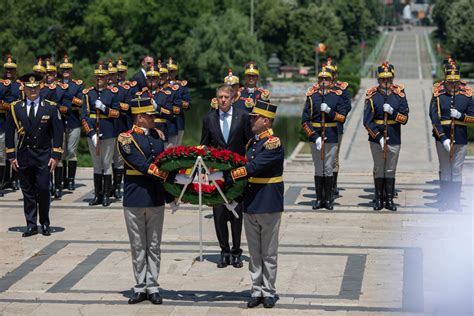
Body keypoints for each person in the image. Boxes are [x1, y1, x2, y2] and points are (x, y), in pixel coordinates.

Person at [117, 96, 178, 305]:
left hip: (155, 197)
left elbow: (165, 163)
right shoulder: (125, 139)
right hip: (135, 196)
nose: (154, 119)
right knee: (138, 245)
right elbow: (141, 164)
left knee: (154, 244)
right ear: (139, 117)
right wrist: (169, 180)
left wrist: (174, 191)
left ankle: (152, 285)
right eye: (150, 116)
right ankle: (140, 285)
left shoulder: (158, 136)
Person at [224, 100, 284, 308]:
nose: (251, 120)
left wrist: (229, 175)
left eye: (255, 118)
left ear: (266, 121)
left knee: (268, 252)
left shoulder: (272, 143)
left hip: (268, 202)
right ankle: (256, 289)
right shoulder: (253, 143)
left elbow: (255, 167)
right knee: (255, 252)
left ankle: (268, 290)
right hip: (251, 202)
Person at [5, 73, 63, 237]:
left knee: (44, 189)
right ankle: (31, 224)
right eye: (29, 88)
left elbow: (58, 132)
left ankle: (44, 222)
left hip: (44, 155)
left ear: (40, 87)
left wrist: (56, 155)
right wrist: (11, 155)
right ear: (24, 88)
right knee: (28, 191)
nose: (33, 91)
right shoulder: (16, 107)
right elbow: (10, 134)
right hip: (24, 155)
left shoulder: (50, 107)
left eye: (36, 87)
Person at [201, 85, 252, 268]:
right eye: (220, 97)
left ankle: (236, 251)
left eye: (226, 97)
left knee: (236, 213)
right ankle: (224, 250)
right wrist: (203, 168)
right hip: (216, 173)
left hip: (237, 173)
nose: (223, 100)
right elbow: (204, 145)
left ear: (232, 98)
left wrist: (249, 167)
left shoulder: (243, 117)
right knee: (219, 213)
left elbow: (249, 143)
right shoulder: (209, 118)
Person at [363, 62, 409, 211]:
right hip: (376, 140)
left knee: (390, 169)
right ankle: (378, 199)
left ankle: (389, 200)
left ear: (393, 78)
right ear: (378, 80)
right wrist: (378, 137)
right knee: (379, 168)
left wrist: (392, 113)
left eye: (389, 79)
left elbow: (405, 119)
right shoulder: (372, 96)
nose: (386, 82)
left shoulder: (399, 96)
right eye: (383, 79)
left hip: (394, 138)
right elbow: (367, 122)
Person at [302, 65, 349, 210]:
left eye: (326, 79)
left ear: (331, 80)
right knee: (318, 168)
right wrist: (314, 136)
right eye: (321, 79)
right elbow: (305, 120)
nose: (323, 81)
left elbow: (342, 117)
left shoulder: (337, 96)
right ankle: (318, 199)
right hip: (316, 136)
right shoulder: (312, 97)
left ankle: (328, 200)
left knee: (328, 167)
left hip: (331, 135)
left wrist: (330, 111)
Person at [429, 58, 474, 212]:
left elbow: (473, 117)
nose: (453, 85)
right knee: (445, 169)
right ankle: (445, 200)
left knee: (456, 170)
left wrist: (460, 116)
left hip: (460, 138)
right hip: (443, 138)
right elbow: (434, 118)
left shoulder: (467, 96)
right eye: (450, 82)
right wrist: (442, 138)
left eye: (455, 82)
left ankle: (455, 202)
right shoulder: (439, 95)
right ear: (445, 81)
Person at [81, 62, 120, 207]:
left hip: (109, 132)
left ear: (106, 77)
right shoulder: (88, 93)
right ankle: (97, 195)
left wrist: (104, 108)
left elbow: (117, 113)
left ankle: (106, 196)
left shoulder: (112, 93)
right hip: (93, 132)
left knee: (106, 163)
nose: (99, 79)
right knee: (97, 165)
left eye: (102, 77)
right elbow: (84, 116)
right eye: (97, 77)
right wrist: (91, 134)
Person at [325, 57, 352, 196]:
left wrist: (333, 113)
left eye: (332, 72)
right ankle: (323, 185)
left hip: (335, 127)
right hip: (321, 128)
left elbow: (347, 106)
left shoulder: (342, 88)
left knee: (334, 157)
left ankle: (333, 185)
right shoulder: (318, 88)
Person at [57, 54, 83, 191]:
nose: (66, 71)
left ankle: (71, 179)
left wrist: (65, 101)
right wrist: (68, 101)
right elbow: (54, 101)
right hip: (60, 122)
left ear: (72, 70)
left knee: (71, 152)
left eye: (68, 69)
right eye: (64, 69)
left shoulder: (77, 84)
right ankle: (61, 179)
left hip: (73, 122)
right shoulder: (55, 85)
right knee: (60, 152)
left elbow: (80, 102)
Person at [1, 55, 23, 192]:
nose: (9, 71)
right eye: (7, 69)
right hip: (3, 121)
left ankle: (15, 179)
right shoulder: (1, 84)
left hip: (16, 122)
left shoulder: (19, 86)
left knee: (15, 151)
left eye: (11, 69)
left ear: (15, 71)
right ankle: (4, 181)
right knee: (2, 153)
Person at [167, 57, 190, 145]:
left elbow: (187, 104)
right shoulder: (159, 85)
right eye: (168, 71)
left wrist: (176, 103)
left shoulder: (182, 85)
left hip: (177, 120)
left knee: (176, 148)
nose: (169, 73)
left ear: (176, 72)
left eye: (172, 71)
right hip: (162, 122)